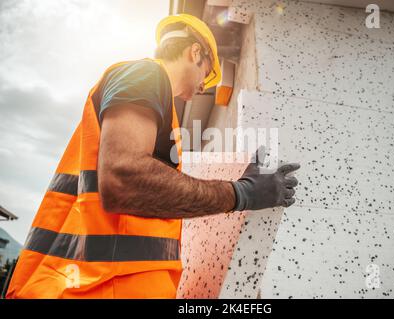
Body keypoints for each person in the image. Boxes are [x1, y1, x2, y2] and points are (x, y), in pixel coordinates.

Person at [6, 14, 300, 299]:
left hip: (98, 284)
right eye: (207, 74)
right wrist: (241, 194)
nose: (202, 88)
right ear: (194, 52)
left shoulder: (157, 103)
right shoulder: (145, 74)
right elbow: (124, 180)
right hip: (97, 286)